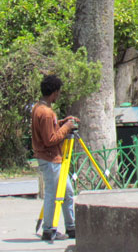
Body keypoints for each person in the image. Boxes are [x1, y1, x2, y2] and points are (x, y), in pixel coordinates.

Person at [31, 74, 78, 241]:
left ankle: (71, 227)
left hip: (50, 158)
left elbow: (49, 131)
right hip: (50, 158)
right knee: (52, 193)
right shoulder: (46, 113)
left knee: (68, 191)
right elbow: (50, 139)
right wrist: (66, 128)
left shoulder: (39, 108)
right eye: (58, 92)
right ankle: (49, 229)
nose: (58, 95)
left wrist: (62, 123)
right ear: (54, 92)